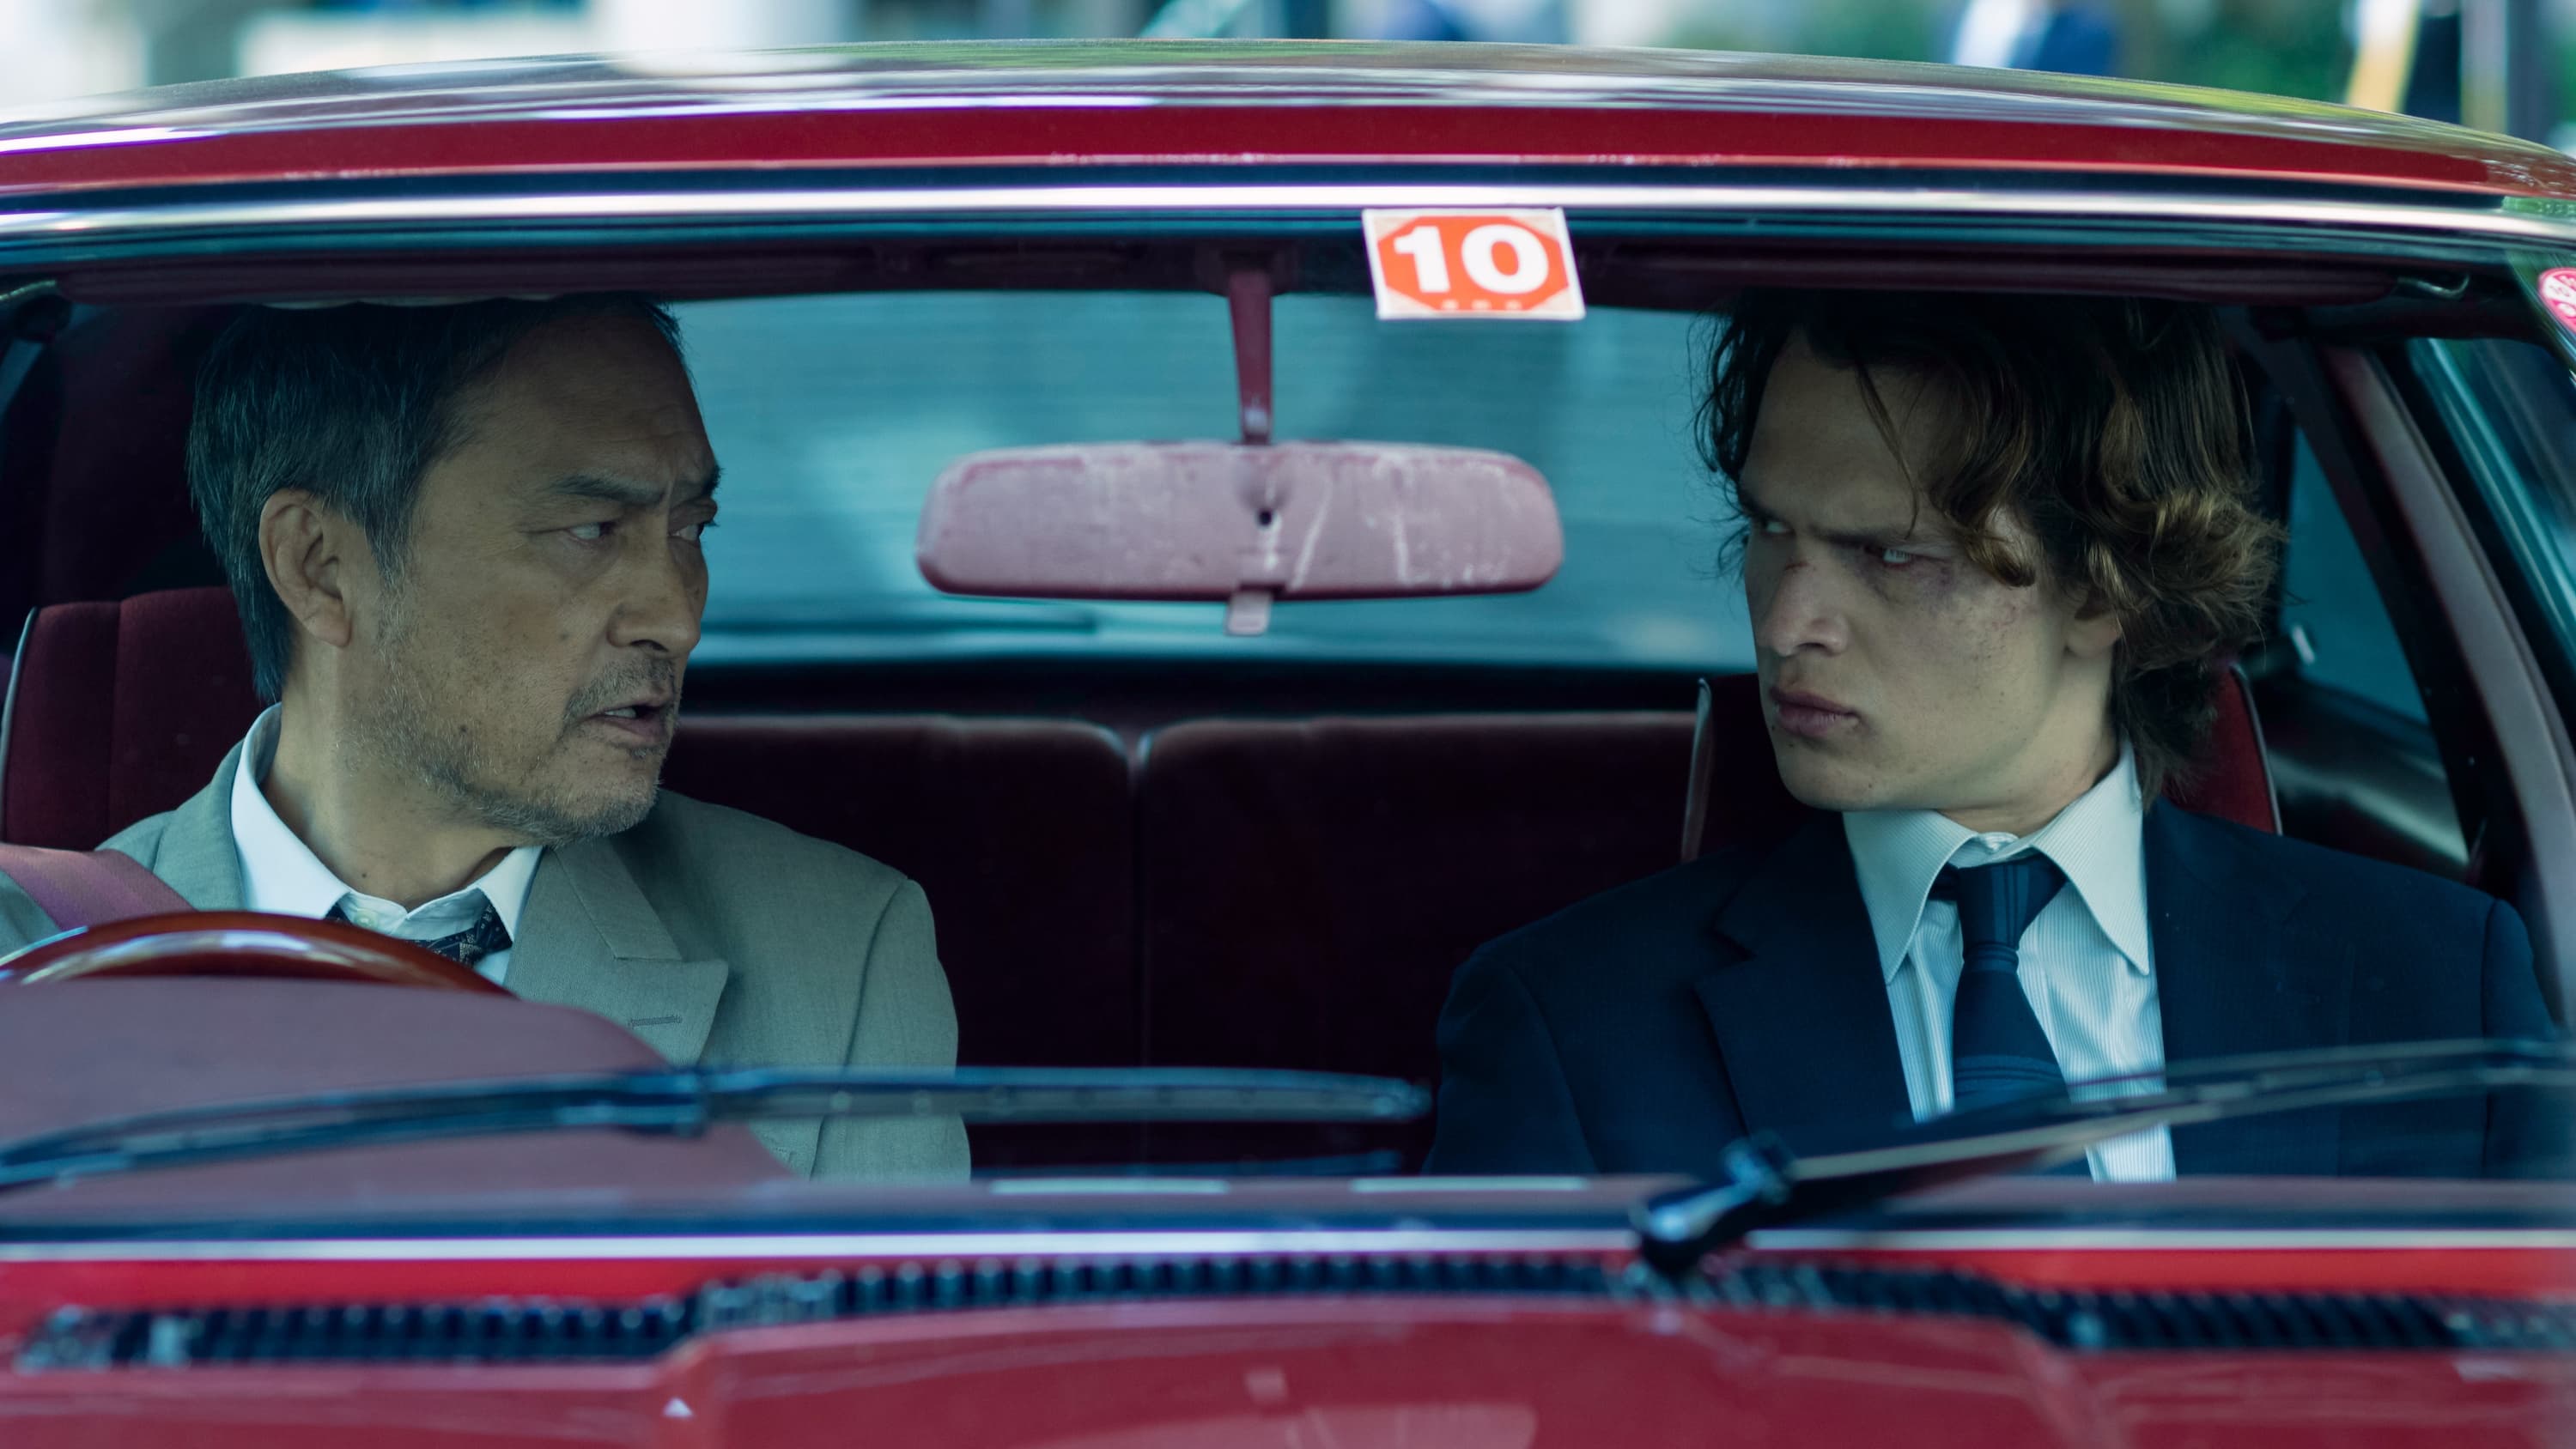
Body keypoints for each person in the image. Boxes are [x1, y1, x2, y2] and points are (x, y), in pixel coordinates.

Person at [1425, 288, 2558, 1181]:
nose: (1783, 622)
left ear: (2107, 586)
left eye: (1890, 553)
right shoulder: (1573, 1022)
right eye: (1770, 527)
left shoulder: (2438, 983)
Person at [0, 296, 966, 1181]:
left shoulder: (835, 953)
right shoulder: (29, 957)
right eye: (592, 528)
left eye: (690, 529)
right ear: (320, 566)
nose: (678, 617)